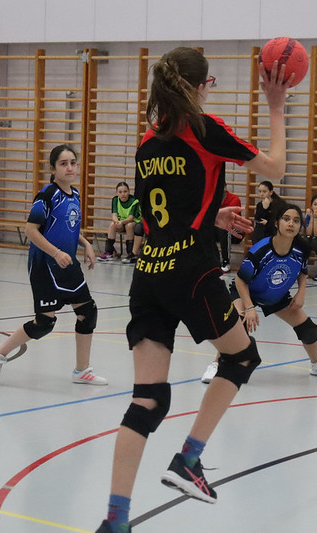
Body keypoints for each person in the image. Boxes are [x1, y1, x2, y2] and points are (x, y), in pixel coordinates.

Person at [95, 47, 289, 533]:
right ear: (201, 86)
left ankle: (115, 521)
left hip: (148, 275)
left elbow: (156, 216)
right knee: (241, 358)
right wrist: (276, 105)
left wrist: (211, 217)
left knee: (148, 400)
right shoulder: (205, 128)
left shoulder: (148, 141)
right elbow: (275, 169)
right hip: (191, 272)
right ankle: (188, 460)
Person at [0, 144, 106, 386]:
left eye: (73, 163)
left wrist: (86, 244)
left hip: (67, 264)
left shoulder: (75, 195)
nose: (69, 167)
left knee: (88, 312)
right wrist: (56, 253)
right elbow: (31, 230)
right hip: (45, 266)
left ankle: (82, 371)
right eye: (63, 163)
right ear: (52, 169)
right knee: (44, 323)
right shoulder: (47, 196)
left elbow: (68, 228)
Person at [201, 204, 317, 384]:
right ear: (276, 223)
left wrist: (301, 293)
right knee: (238, 326)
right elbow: (241, 280)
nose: (291, 224)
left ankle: (316, 364)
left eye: (296, 221)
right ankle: (216, 365)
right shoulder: (261, 249)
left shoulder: (301, 249)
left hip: (275, 295)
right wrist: (249, 307)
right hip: (246, 291)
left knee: (308, 329)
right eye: (286, 219)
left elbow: (303, 272)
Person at [98, 182, 140, 262]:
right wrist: (117, 222)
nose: (123, 194)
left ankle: (130, 253)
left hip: (133, 223)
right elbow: (114, 215)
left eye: (125, 191)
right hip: (121, 223)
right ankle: (109, 252)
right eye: (120, 192)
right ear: (117, 193)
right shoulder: (115, 200)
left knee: (129, 225)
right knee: (112, 224)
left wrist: (121, 222)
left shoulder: (134, 201)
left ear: (129, 191)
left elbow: (131, 218)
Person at [250, 180, 286, 244]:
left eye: (264, 191)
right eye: (260, 191)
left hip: (274, 232)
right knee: (258, 230)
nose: (261, 194)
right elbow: (258, 219)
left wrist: (268, 223)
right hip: (262, 232)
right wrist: (264, 209)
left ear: (271, 192)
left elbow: (279, 222)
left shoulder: (280, 205)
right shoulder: (260, 205)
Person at [215, 189, 242, 272]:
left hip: (236, 232)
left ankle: (225, 261)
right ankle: (211, 261)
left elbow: (231, 219)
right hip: (219, 230)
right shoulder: (212, 198)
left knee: (224, 228)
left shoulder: (234, 199)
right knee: (204, 228)